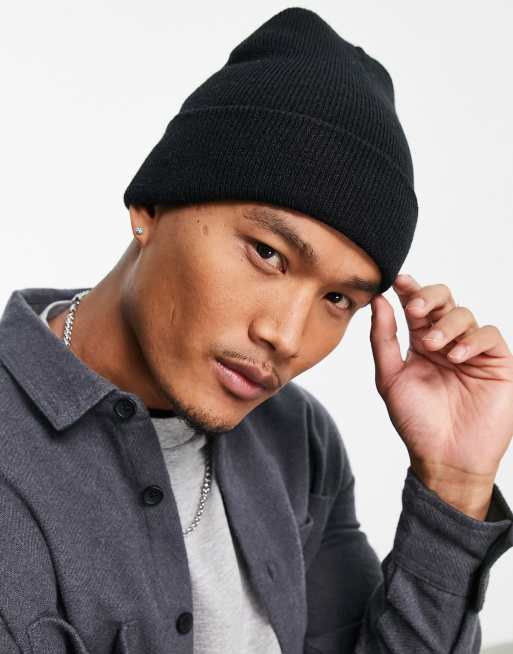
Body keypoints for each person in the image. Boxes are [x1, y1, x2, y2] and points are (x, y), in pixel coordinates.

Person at [1, 7, 512, 654]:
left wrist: (454, 484)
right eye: (268, 254)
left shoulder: (297, 437)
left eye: (337, 298)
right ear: (149, 206)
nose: (286, 336)